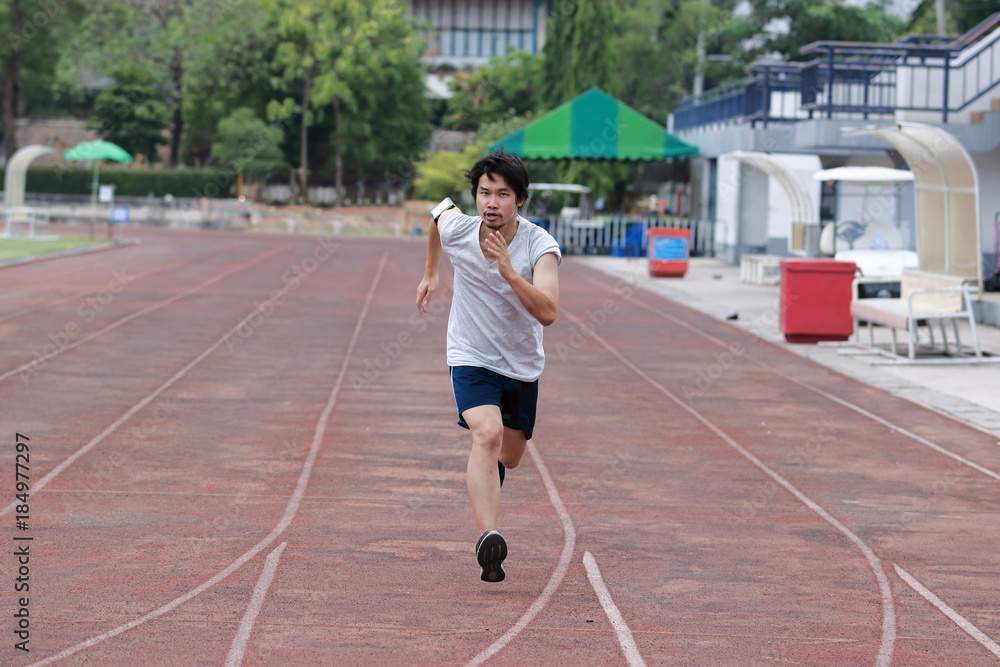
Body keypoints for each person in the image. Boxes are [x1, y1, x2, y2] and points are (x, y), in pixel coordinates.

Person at [415, 151, 561, 583]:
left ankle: (489, 475)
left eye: (502, 194)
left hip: (520, 365)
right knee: (487, 434)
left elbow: (549, 312)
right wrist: (430, 273)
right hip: (470, 355)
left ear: (520, 200)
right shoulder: (460, 228)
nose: (491, 202)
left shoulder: (540, 246)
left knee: (509, 456)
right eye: (483, 193)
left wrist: (510, 272)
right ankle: (488, 538)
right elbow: (438, 214)